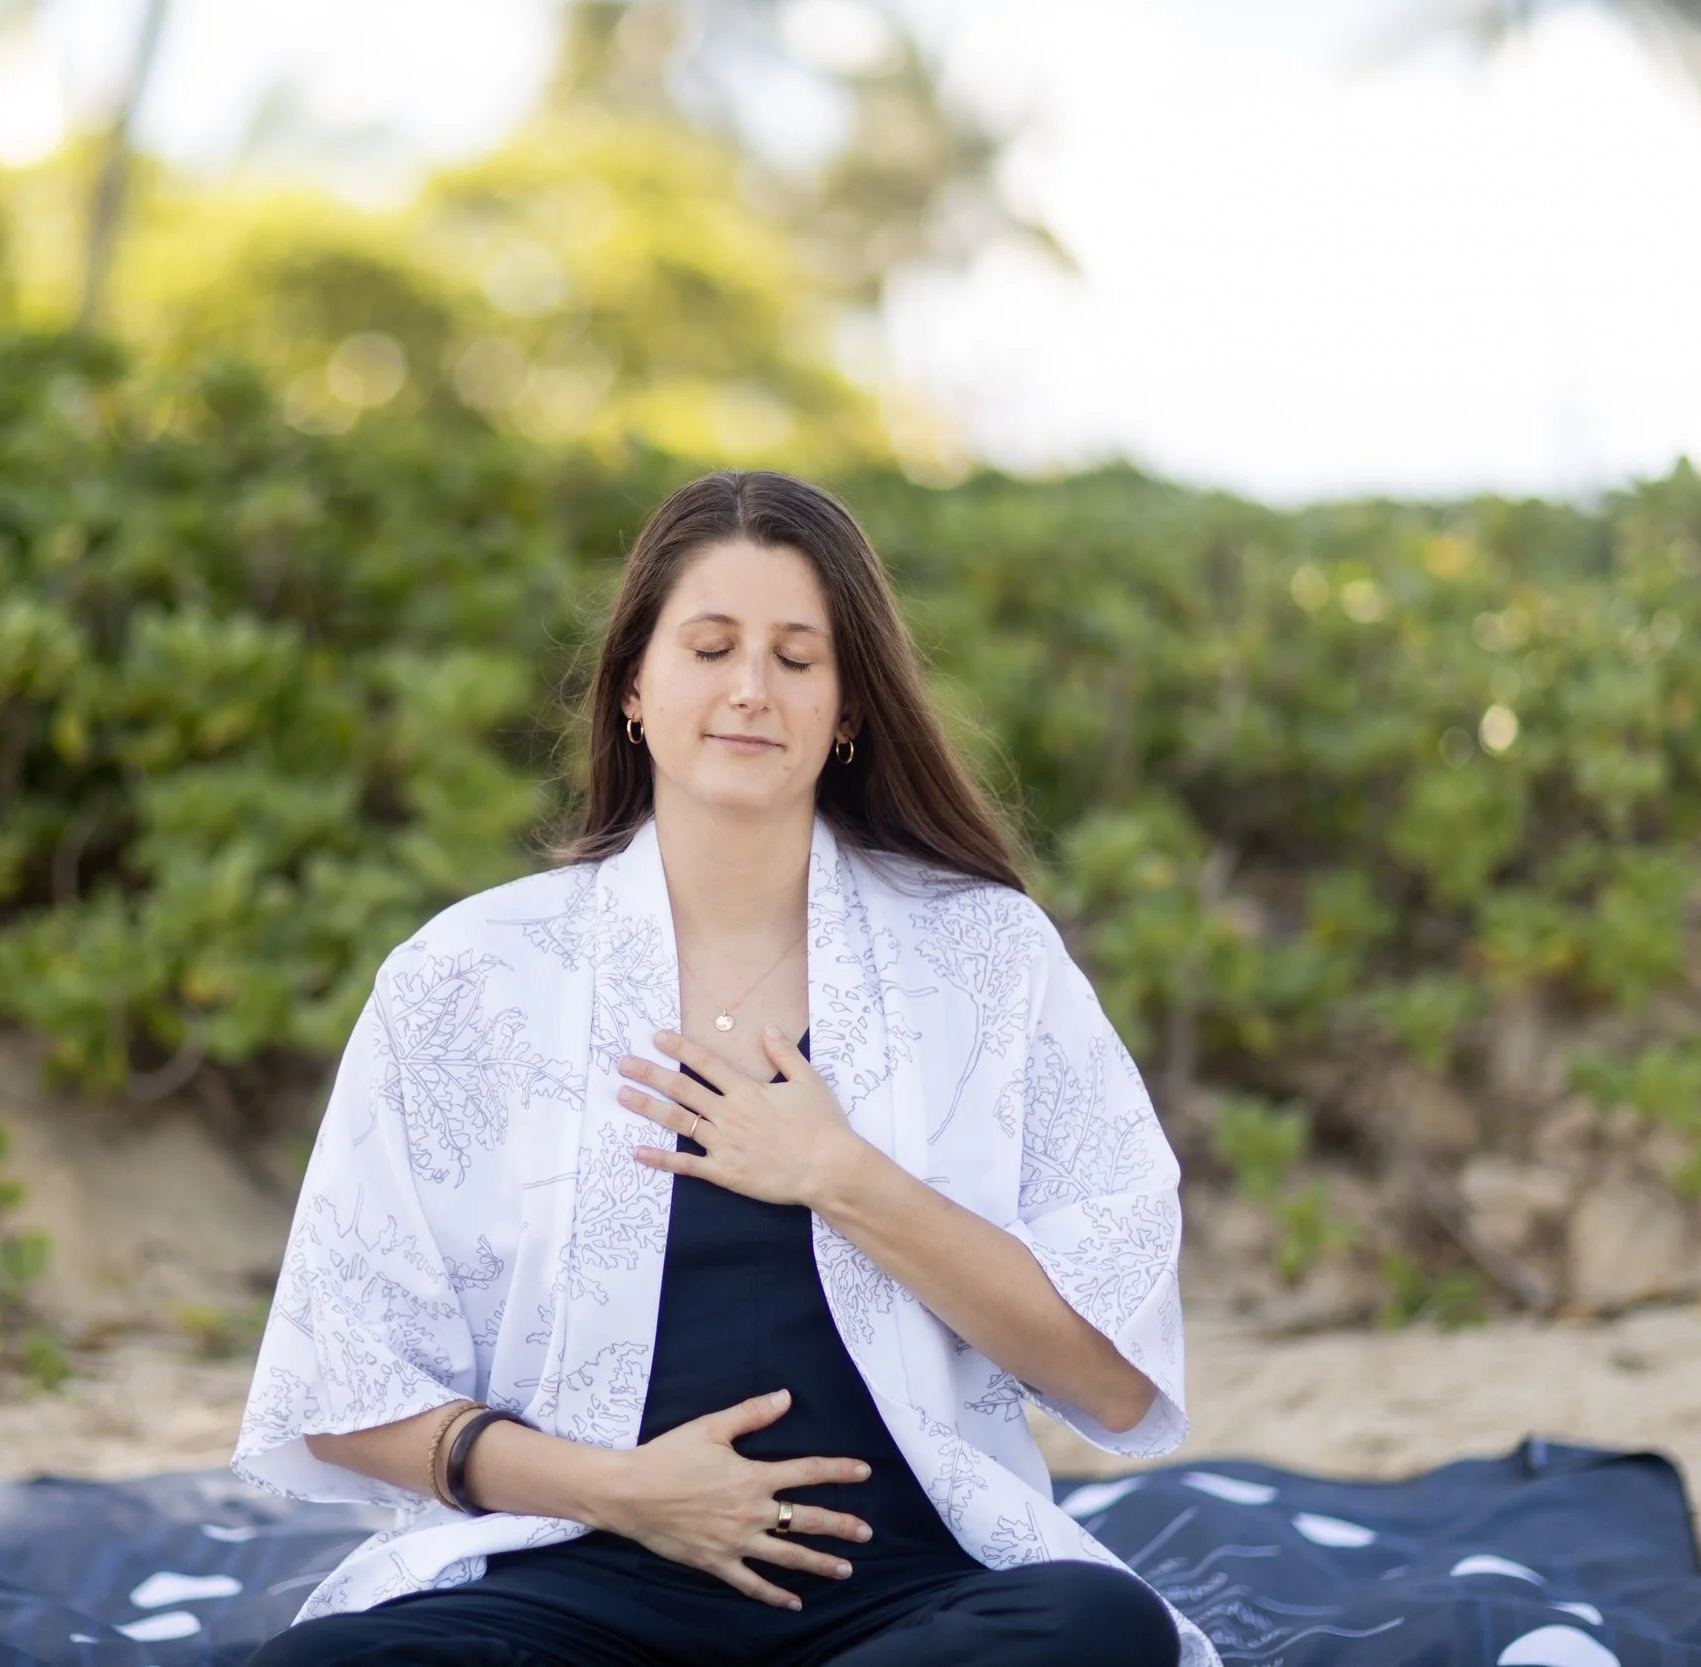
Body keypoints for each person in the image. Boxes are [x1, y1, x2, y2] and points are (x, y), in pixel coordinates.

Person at [234, 471, 1210, 1667]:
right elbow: (343, 1391)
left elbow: (1113, 1382)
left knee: (1098, 1631)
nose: (751, 688)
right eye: (710, 647)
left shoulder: (986, 956)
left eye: (798, 658)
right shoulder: (469, 973)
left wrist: (844, 1175)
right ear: (635, 685)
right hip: (577, 1572)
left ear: (848, 708)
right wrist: (623, 1490)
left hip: (908, 1593)